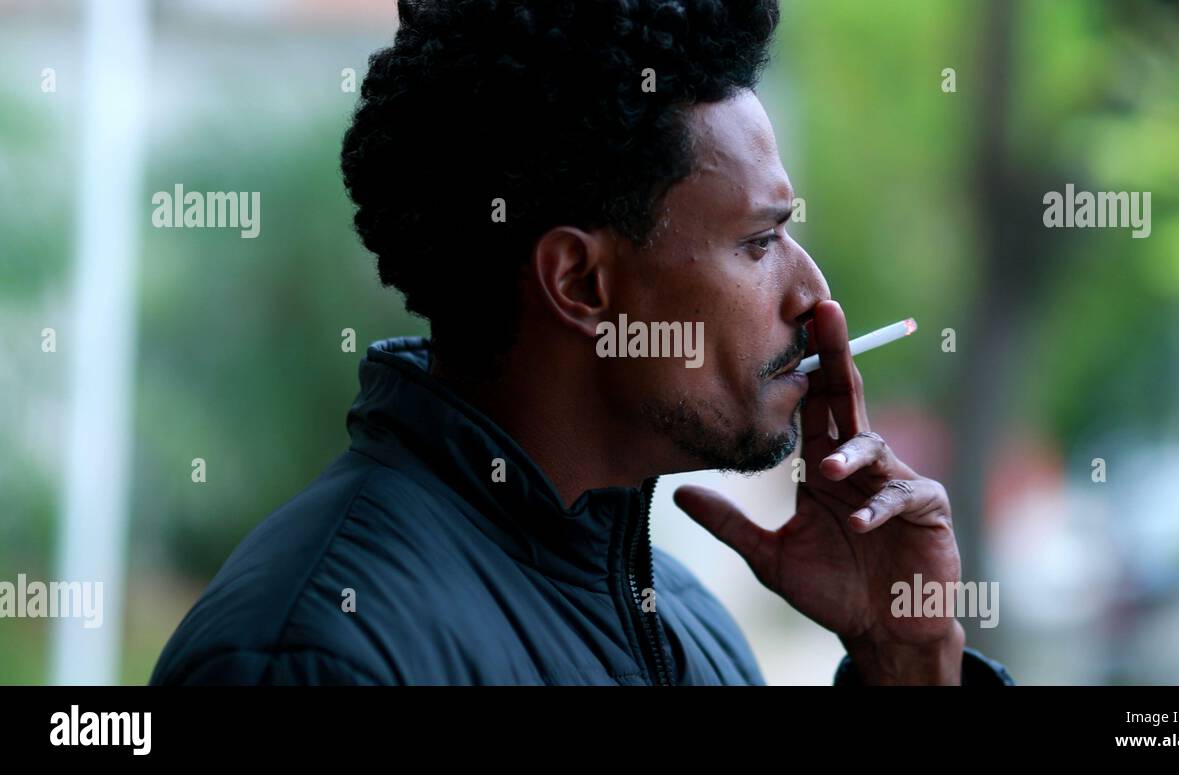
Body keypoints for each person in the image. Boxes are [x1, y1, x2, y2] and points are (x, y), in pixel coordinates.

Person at [151, 0, 1013, 686]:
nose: (812, 294)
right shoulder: (315, 654)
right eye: (759, 242)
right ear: (581, 284)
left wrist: (908, 664)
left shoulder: (685, 624)